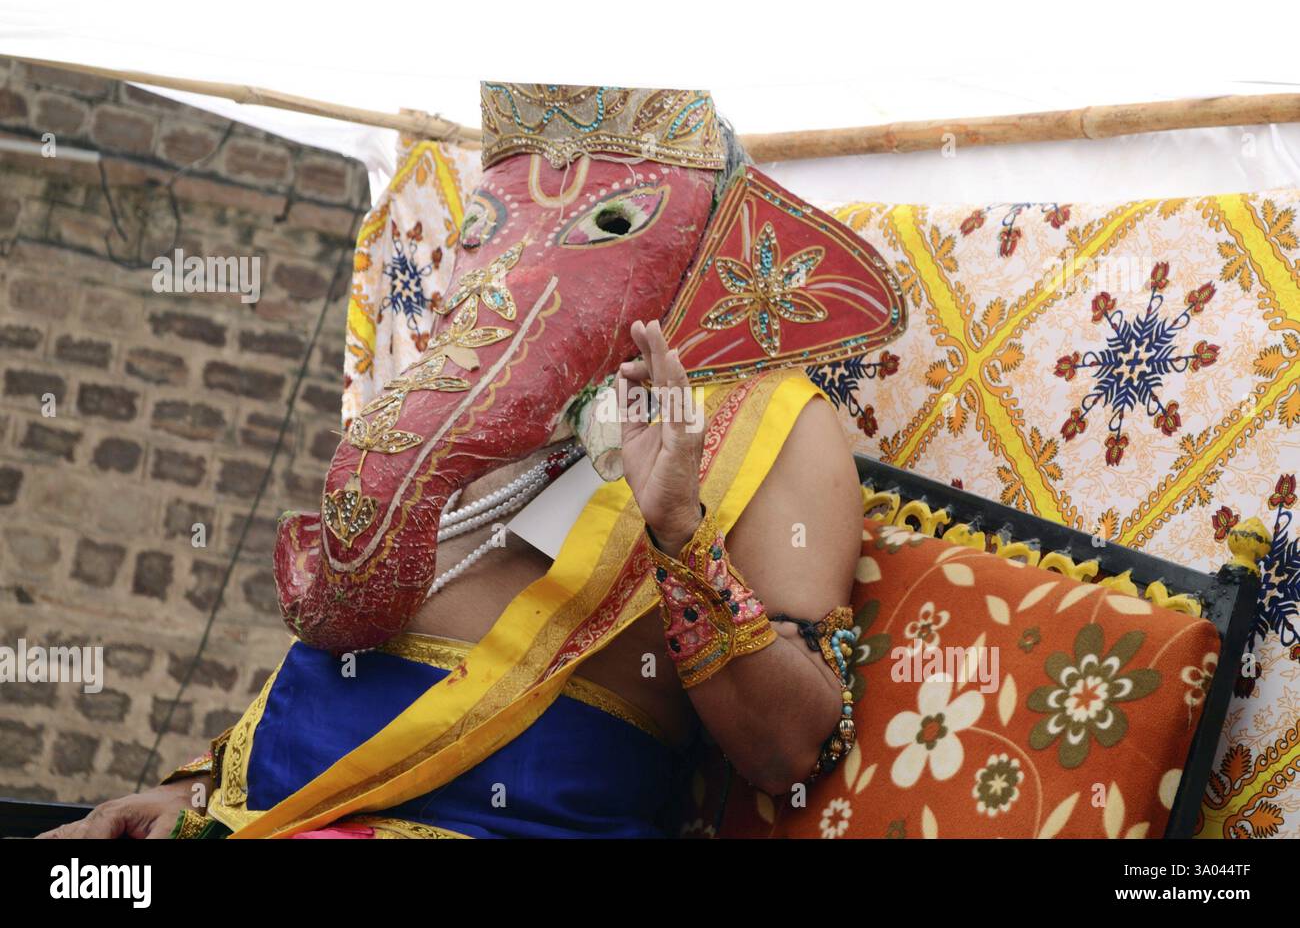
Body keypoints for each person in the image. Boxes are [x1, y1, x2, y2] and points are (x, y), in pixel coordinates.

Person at [40, 82, 903, 839]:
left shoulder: (761, 425)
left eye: (611, 224)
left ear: (710, 252)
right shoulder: (465, 403)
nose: (520, 263)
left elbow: (788, 752)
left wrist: (678, 528)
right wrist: (193, 790)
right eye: (489, 229)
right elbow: (348, 673)